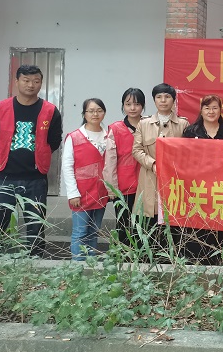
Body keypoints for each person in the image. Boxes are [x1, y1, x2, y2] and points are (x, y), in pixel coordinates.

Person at [0, 64, 62, 256]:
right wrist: (5, 155)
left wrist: (39, 156)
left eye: (36, 81)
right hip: (3, 177)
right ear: (16, 81)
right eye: (26, 80)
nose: (31, 85)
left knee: (35, 226)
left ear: (41, 83)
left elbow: (54, 141)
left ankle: (35, 262)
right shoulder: (0, 108)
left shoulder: (50, 111)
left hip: (35, 179)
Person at [132, 84, 189, 242]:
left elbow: (188, 153)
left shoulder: (183, 124)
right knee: (149, 225)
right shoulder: (144, 124)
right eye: (159, 97)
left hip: (174, 180)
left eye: (167, 97)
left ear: (174, 100)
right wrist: (153, 164)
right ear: (154, 100)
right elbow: (136, 150)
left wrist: (171, 167)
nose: (163, 100)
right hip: (150, 178)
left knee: (172, 224)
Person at [181, 94, 223, 263]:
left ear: (220, 110)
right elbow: (184, 159)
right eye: (207, 108)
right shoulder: (190, 132)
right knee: (198, 223)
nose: (211, 111)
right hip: (198, 188)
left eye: (215, 108)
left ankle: (221, 260)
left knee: (221, 224)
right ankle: (196, 260)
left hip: (222, 189)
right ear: (201, 110)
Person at [62, 98, 109, 261]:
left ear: (104, 113)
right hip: (81, 193)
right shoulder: (74, 137)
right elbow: (67, 166)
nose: (95, 114)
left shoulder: (109, 136)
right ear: (84, 114)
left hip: (101, 192)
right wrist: (72, 193)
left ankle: (91, 265)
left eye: (99, 110)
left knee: (93, 231)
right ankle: (78, 266)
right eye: (91, 111)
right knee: (80, 232)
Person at [103, 88, 145, 247]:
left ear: (143, 106)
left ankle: (143, 257)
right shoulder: (115, 128)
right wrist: (112, 188)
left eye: (137, 104)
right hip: (123, 186)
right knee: (124, 225)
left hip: (146, 184)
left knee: (145, 225)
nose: (132, 108)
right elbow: (110, 160)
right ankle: (124, 256)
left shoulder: (149, 125)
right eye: (128, 104)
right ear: (123, 106)